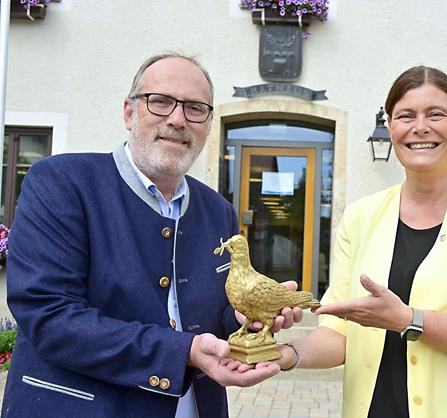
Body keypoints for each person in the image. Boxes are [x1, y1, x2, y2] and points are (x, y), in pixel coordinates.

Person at [1, 52, 302, 418]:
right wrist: (184, 351)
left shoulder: (217, 210)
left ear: (207, 123)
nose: (177, 120)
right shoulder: (62, 183)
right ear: (129, 112)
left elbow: (207, 311)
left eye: (195, 108)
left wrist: (244, 319)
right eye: (159, 102)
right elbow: (49, 315)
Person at [276, 66, 447, 418]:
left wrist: (407, 319)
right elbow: (339, 333)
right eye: (406, 116)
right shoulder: (360, 217)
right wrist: (287, 355)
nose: (421, 127)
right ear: (390, 127)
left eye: (435, 114)